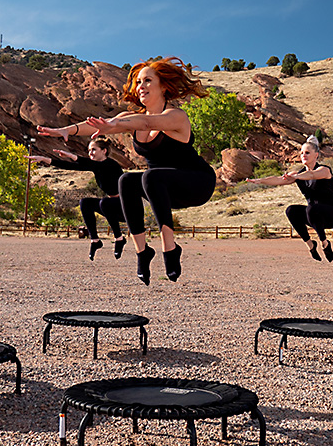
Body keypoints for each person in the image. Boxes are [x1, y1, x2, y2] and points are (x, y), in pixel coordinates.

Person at [37, 57, 215, 285]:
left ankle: (169, 249)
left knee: (151, 175)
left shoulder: (176, 116)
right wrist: (66, 130)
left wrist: (116, 124)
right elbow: (99, 124)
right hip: (163, 189)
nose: (140, 87)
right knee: (126, 181)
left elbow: (148, 124)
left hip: (196, 183)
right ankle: (142, 252)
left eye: (148, 80)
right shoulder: (131, 118)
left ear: (164, 86)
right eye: (138, 82)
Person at [26, 137, 127, 260]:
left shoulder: (111, 165)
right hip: (111, 207)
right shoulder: (95, 166)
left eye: (93, 150)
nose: (90, 153)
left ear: (104, 151)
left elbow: (89, 163)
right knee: (85, 203)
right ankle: (95, 240)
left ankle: (119, 238)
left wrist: (72, 155)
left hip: (126, 207)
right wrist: (45, 159)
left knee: (104, 202)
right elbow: (69, 166)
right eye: (89, 150)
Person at [247, 135, 333, 261]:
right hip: (314, 216)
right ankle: (311, 245)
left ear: (316, 155)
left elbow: (311, 174)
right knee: (291, 210)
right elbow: (278, 179)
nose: (303, 155)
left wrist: (296, 177)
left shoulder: (324, 170)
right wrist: (259, 181)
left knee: (311, 208)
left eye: (307, 153)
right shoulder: (298, 175)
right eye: (302, 153)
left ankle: (324, 243)